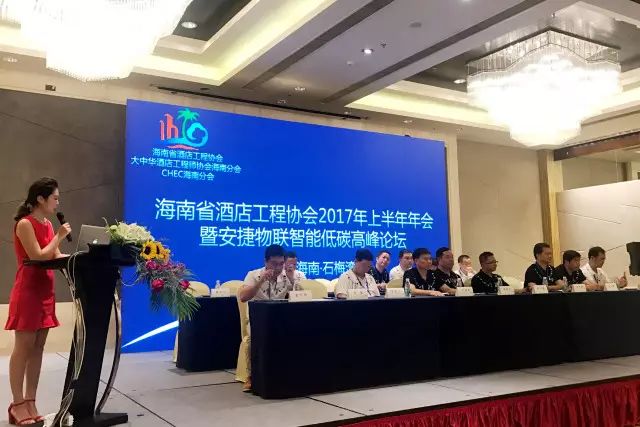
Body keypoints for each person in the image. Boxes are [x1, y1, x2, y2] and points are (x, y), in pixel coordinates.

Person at [5, 177, 71, 426]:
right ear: (40, 199)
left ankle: (31, 400)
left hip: (45, 292)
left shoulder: (47, 225)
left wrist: (78, 258)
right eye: (55, 198)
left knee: (38, 348)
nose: (57, 203)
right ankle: (17, 404)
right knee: (23, 348)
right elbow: (38, 255)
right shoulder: (25, 224)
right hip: (28, 292)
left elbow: (55, 255)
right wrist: (59, 235)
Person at [238, 244, 301, 392]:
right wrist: (260, 281)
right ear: (265, 261)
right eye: (274, 264)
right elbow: (243, 297)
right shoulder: (253, 275)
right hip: (257, 321)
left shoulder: (288, 276)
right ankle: (251, 376)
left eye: (281, 263)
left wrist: (292, 281)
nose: (278, 268)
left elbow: (299, 297)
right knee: (252, 339)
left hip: (280, 319)